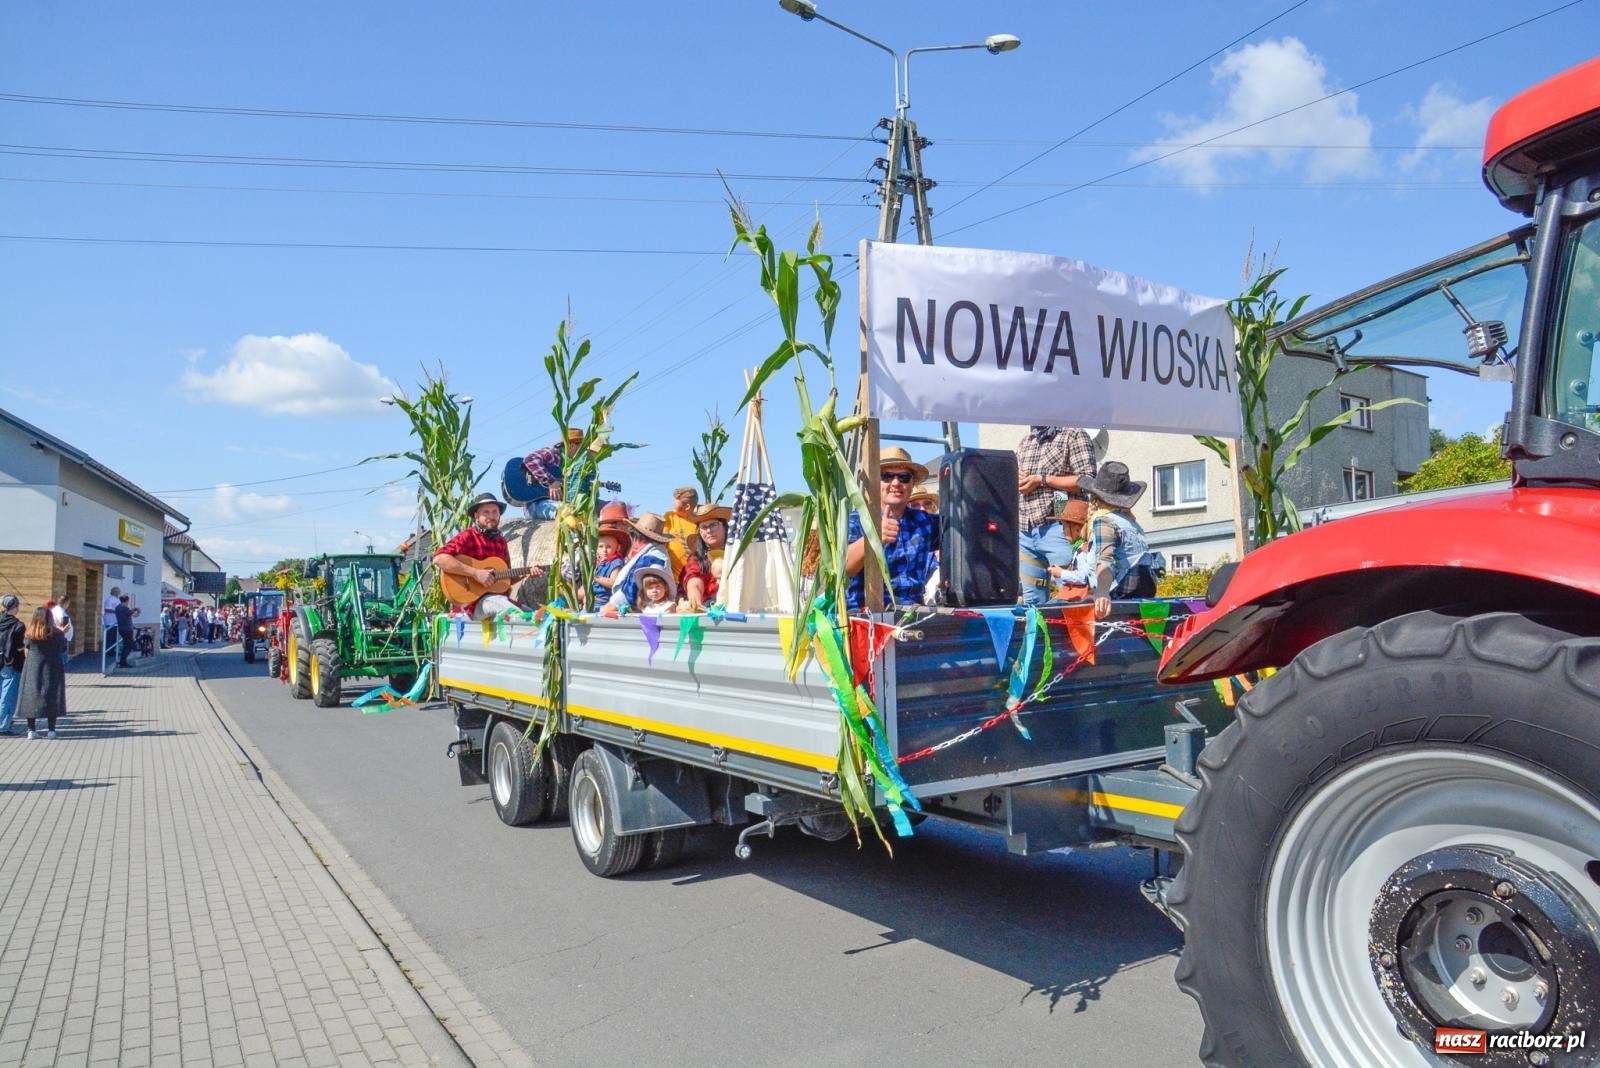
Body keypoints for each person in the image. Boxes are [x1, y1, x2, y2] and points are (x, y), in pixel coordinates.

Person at [844, 447, 940, 610]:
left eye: (903, 477)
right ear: (875, 481)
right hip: (865, 618)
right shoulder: (856, 521)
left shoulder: (924, 522)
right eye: (887, 476)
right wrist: (873, 538)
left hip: (912, 616)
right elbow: (841, 570)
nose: (896, 483)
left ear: (912, 484)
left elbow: (964, 531)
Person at [1015, 426, 1098, 606]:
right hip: (1025, 530)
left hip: (1060, 527)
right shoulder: (1026, 441)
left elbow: (1089, 481)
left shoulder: (1073, 434)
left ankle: (1073, 634)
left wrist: (1043, 480)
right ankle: (1036, 634)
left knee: (1072, 595)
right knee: (1032, 602)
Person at [433, 493, 542, 620]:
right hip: (472, 605)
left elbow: (505, 579)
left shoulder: (501, 542)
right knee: (515, 613)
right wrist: (475, 573)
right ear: (477, 516)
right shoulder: (468, 536)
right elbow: (439, 558)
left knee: (535, 616)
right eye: (486, 512)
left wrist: (527, 572)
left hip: (498, 600)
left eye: (495, 512)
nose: (491, 516)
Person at [1083, 461, 1159, 620]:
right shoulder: (1133, 524)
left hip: (1118, 600)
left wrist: (1102, 593)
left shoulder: (1104, 521)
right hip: (1140, 601)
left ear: (1095, 497)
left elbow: (1105, 559)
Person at [601, 512, 675, 617]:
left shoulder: (651, 558)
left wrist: (613, 604)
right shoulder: (654, 553)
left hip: (648, 609)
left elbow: (633, 586)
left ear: (638, 537)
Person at [18, 606, 66, 739]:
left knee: (31, 696)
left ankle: (31, 730)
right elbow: (63, 648)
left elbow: (26, 645)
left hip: (33, 667)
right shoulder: (57, 634)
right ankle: (51, 730)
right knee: (52, 696)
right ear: (50, 618)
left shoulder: (30, 634)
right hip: (53, 666)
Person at [521, 429, 585, 520]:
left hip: (556, 503)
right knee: (567, 512)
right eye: (582, 448)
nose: (584, 452)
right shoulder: (554, 453)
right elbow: (530, 460)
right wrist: (551, 482)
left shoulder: (573, 466)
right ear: (572, 446)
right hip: (536, 504)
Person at [680, 502, 731, 611]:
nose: (708, 531)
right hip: (708, 612)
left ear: (724, 526)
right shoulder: (696, 559)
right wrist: (697, 605)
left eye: (713, 524)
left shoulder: (739, 554)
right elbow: (694, 582)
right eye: (703, 527)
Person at [1047, 500, 1096, 601]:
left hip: (1081, 598)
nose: (1062, 531)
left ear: (1076, 529)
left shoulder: (1083, 550)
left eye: (1064, 527)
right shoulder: (1078, 548)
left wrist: (1061, 573)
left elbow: (1084, 577)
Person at [661, 487, 700, 579]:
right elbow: (663, 541)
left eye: (676, 502)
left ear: (687, 507)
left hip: (691, 575)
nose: (673, 504)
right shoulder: (670, 516)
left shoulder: (699, 522)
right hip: (671, 575)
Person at [0, 595, 24, 735]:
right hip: (12, 662)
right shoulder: (18, 625)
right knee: (8, 696)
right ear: (14, 607)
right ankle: (3, 726)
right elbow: (20, 647)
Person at [592, 527, 628, 608]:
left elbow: (613, 583)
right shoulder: (599, 562)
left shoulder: (616, 562)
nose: (604, 550)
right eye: (601, 546)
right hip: (593, 601)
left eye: (608, 547)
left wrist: (595, 577)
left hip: (605, 603)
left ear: (618, 548)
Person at [50, 596, 75, 663]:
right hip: (62, 638)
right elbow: (63, 620)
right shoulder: (61, 611)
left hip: (57, 636)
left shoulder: (54, 610)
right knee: (62, 661)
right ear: (66, 603)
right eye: (68, 603)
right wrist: (62, 629)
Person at [115, 594, 137, 667]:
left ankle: (122, 661)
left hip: (121, 628)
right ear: (127, 600)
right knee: (128, 646)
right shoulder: (125, 608)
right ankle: (123, 662)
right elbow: (133, 614)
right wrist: (135, 611)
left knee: (126, 645)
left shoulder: (117, 607)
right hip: (127, 629)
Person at [103, 585, 122, 653]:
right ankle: (108, 652)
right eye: (118, 592)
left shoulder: (117, 599)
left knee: (114, 637)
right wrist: (117, 612)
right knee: (110, 637)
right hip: (110, 621)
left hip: (115, 621)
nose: (119, 593)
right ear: (114, 592)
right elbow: (107, 609)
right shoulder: (109, 599)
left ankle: (112, 651)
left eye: (119, 592)